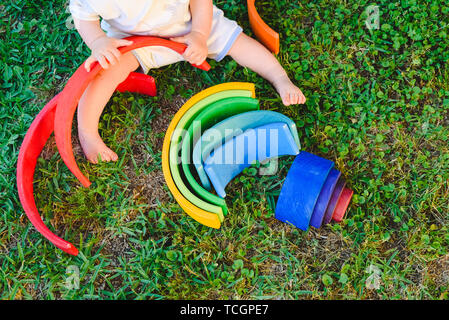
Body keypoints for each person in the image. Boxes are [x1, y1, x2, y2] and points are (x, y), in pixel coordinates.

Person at [69, 0, 306, 163]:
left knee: (238, 43)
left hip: (190, 24)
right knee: (104, 71)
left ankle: (280, 77)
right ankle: (88, 132)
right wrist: (98, 41)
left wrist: (200, 35)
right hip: (132, 39)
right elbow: (83, 17)